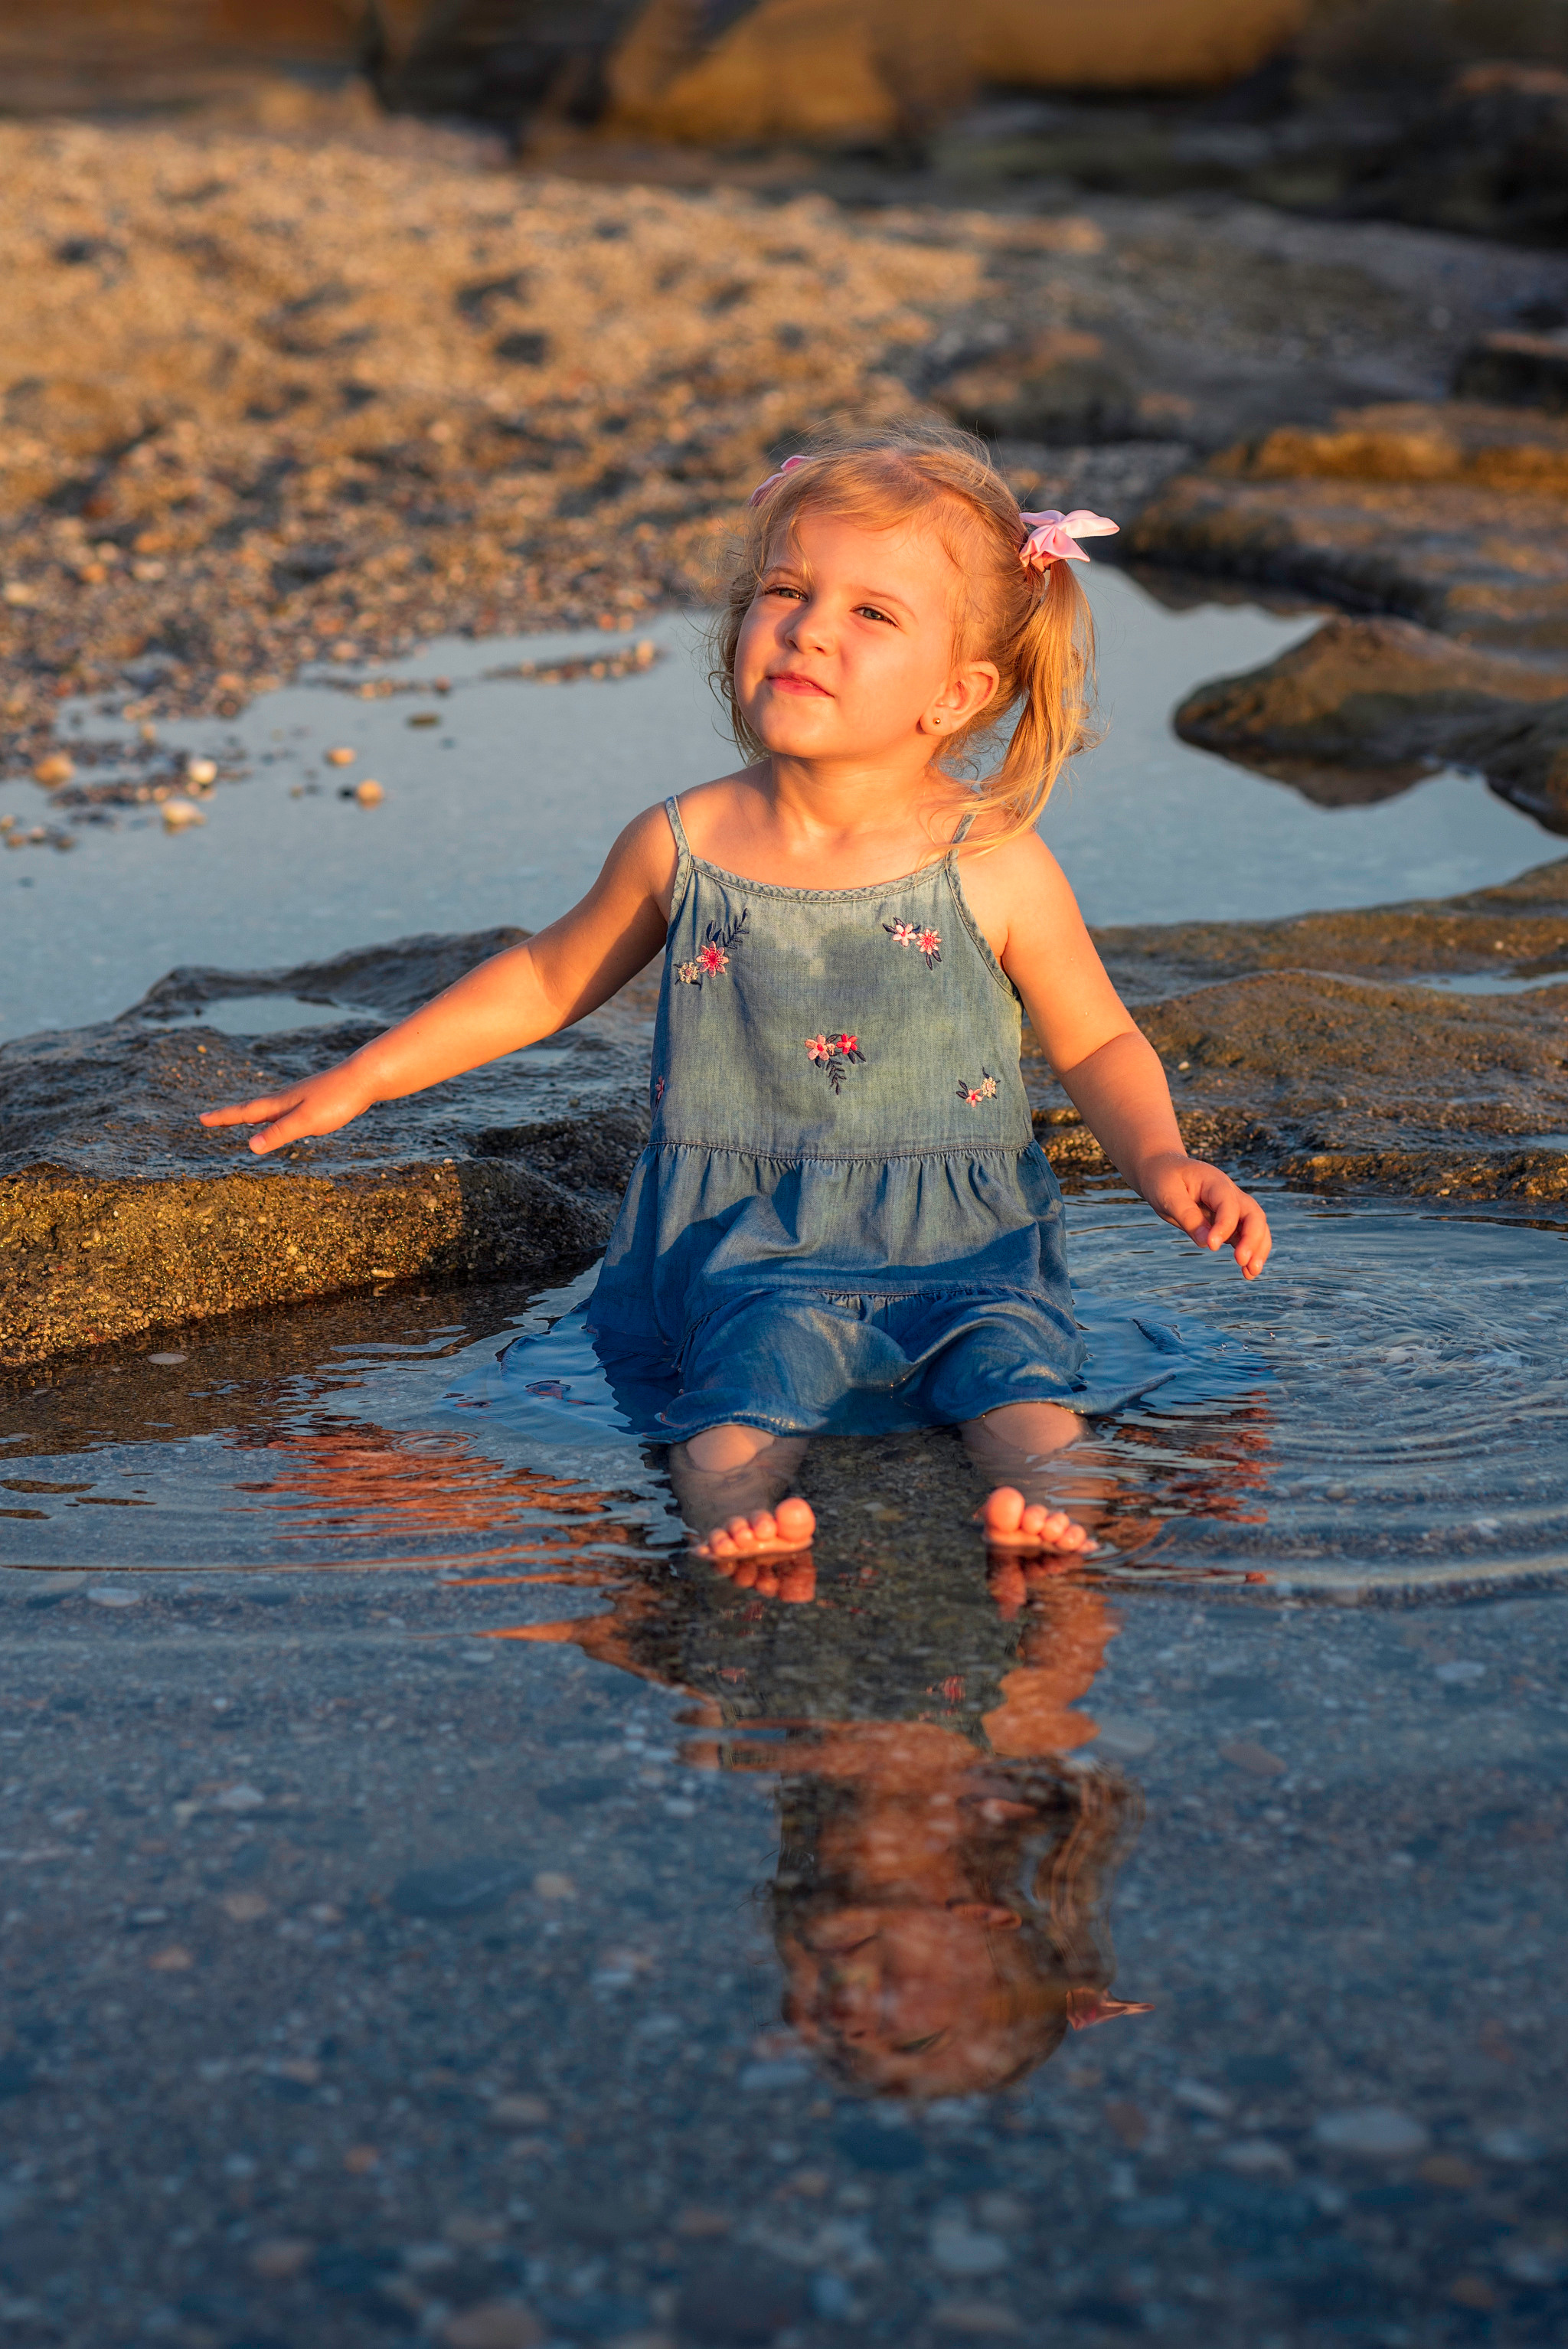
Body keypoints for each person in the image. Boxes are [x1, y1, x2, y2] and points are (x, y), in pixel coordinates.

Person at [203, 420, 1271, 1563]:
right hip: (744, 1245)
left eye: (871, 613)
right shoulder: (686, 841)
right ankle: (743, 1534)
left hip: (967, 1243)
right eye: (786, 590)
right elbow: (548, 977)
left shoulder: (992, 855)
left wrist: (1162, 1159)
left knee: (1025, 1399)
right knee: (731, 1417)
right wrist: (366, 1077)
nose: (809, 627)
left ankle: (1057, 1524)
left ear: (956, 693)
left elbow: (1097, 1037)